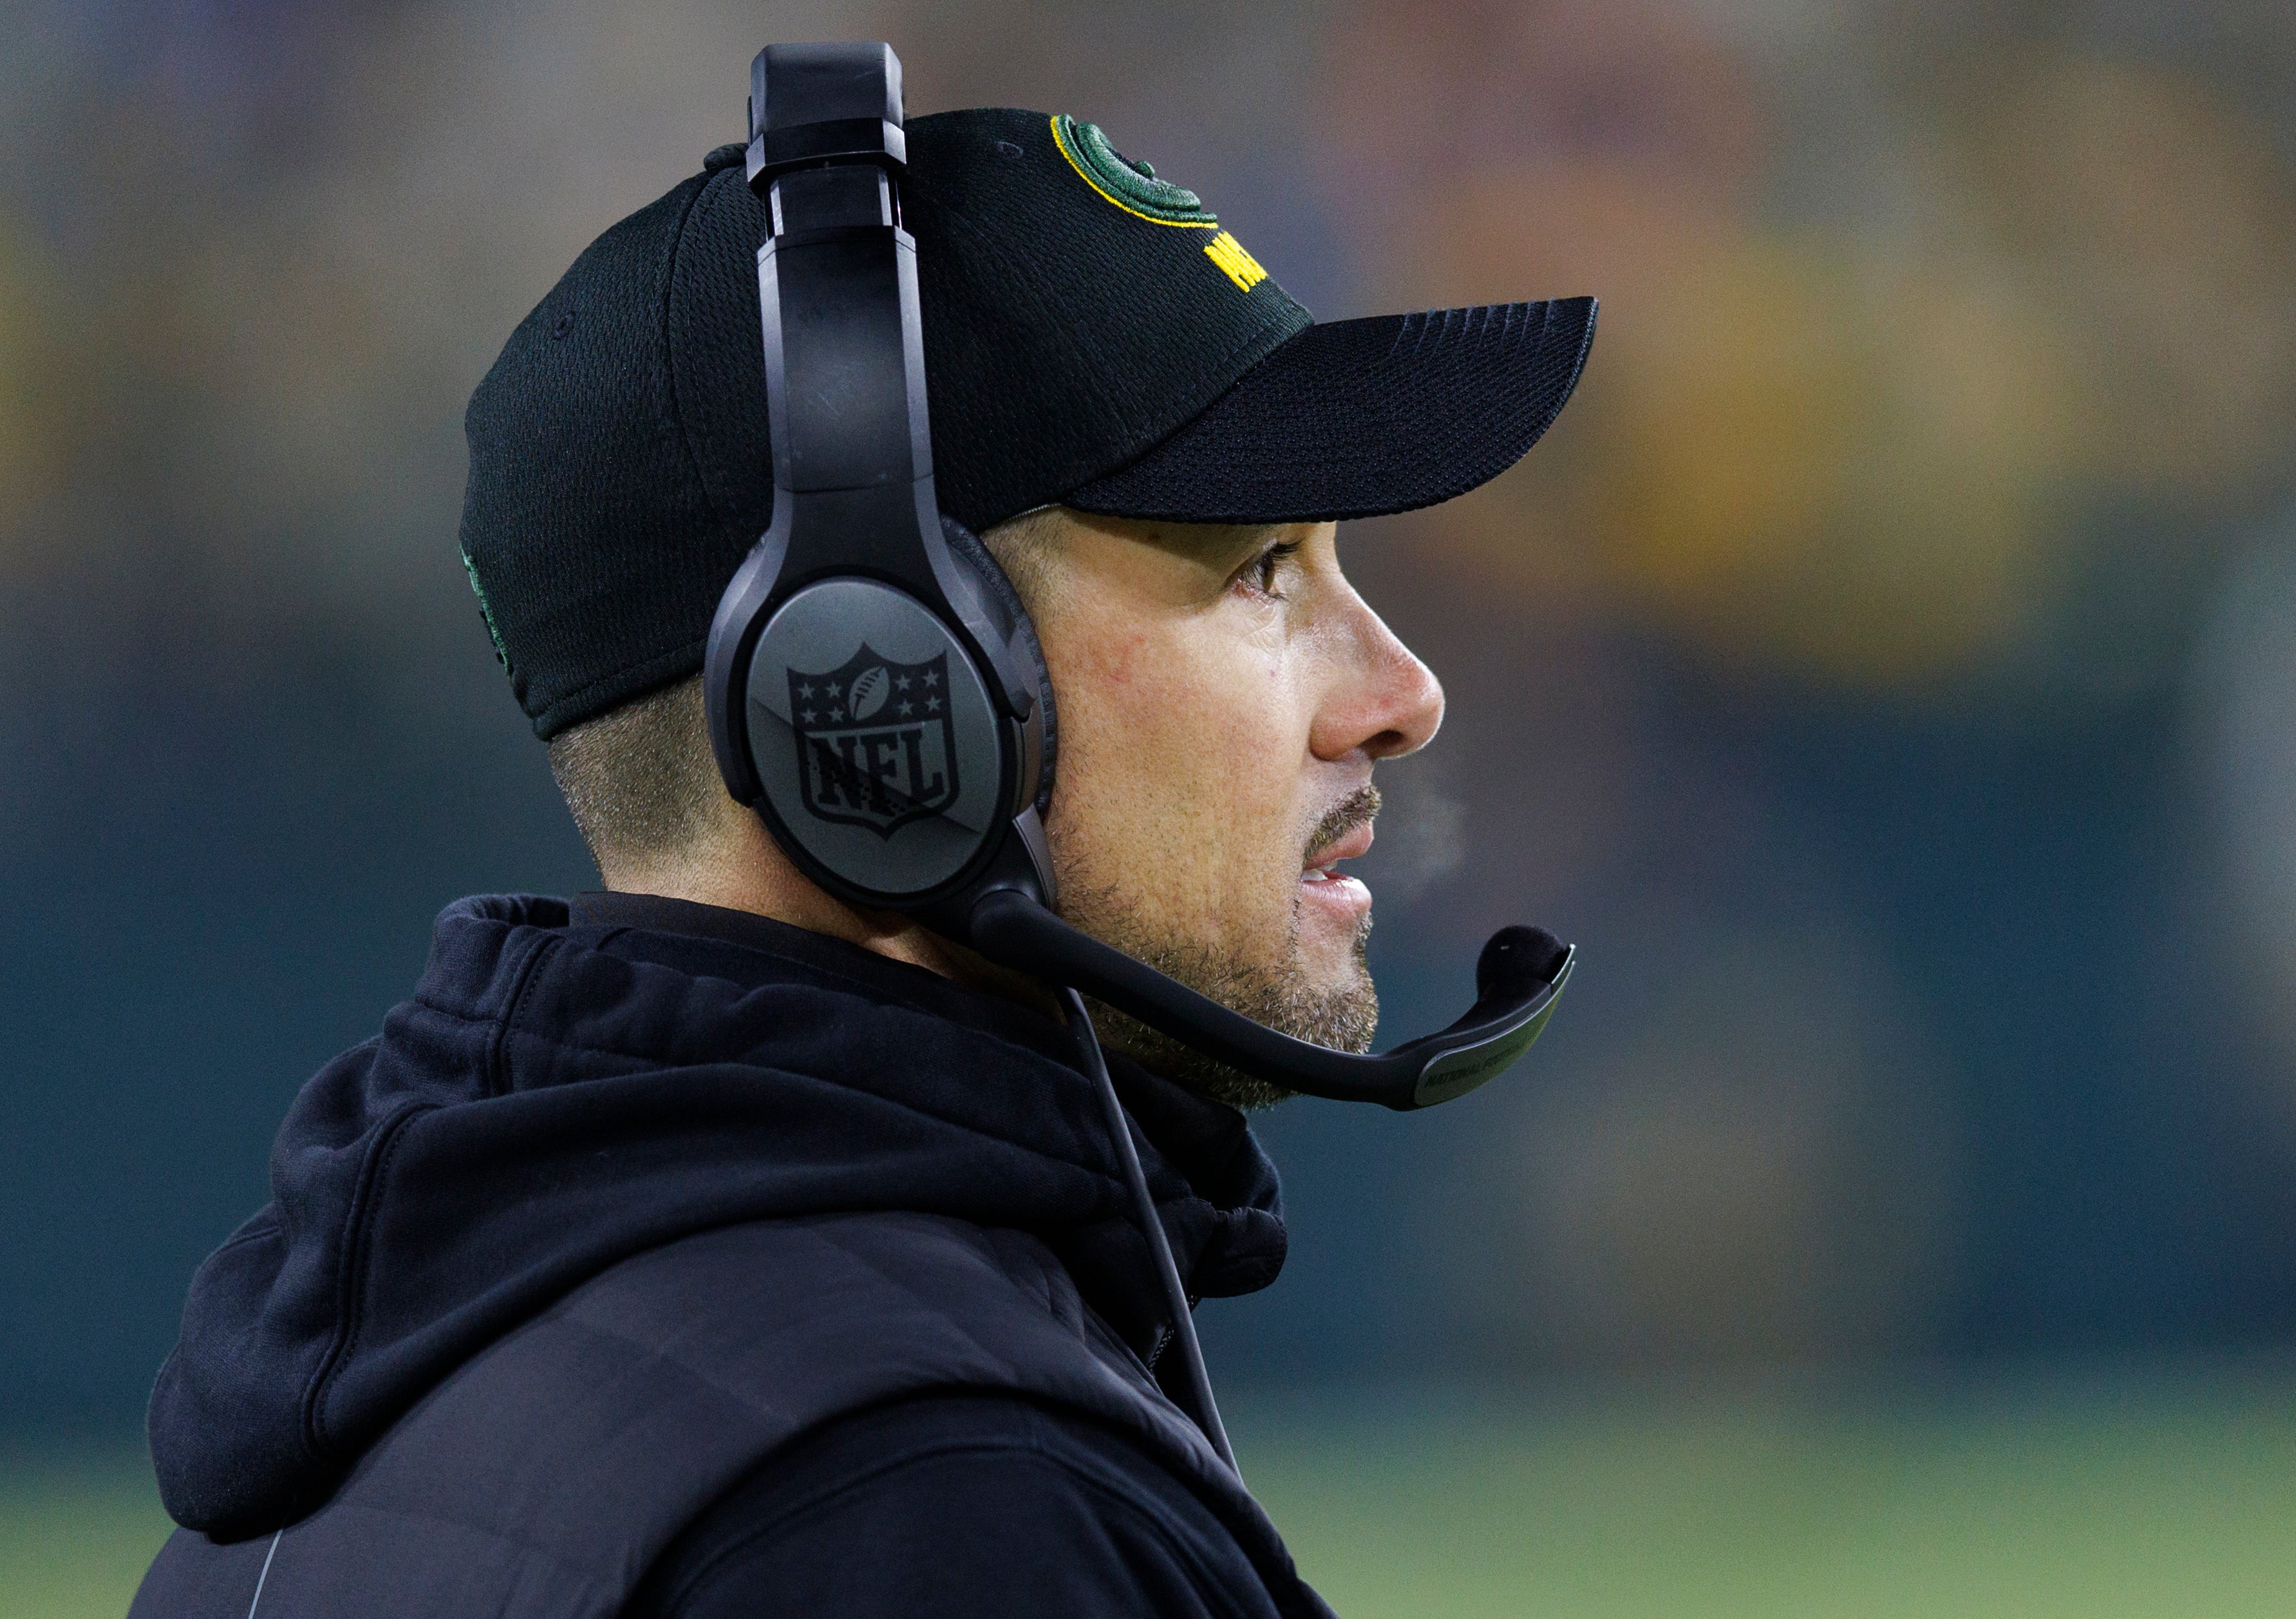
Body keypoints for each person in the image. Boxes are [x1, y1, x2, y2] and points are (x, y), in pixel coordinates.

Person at [129, 92, 1593, 1619]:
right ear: (888, 692)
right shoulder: (950, 1512)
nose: (1401, 694)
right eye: (1261, 572)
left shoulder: (373, 1418)